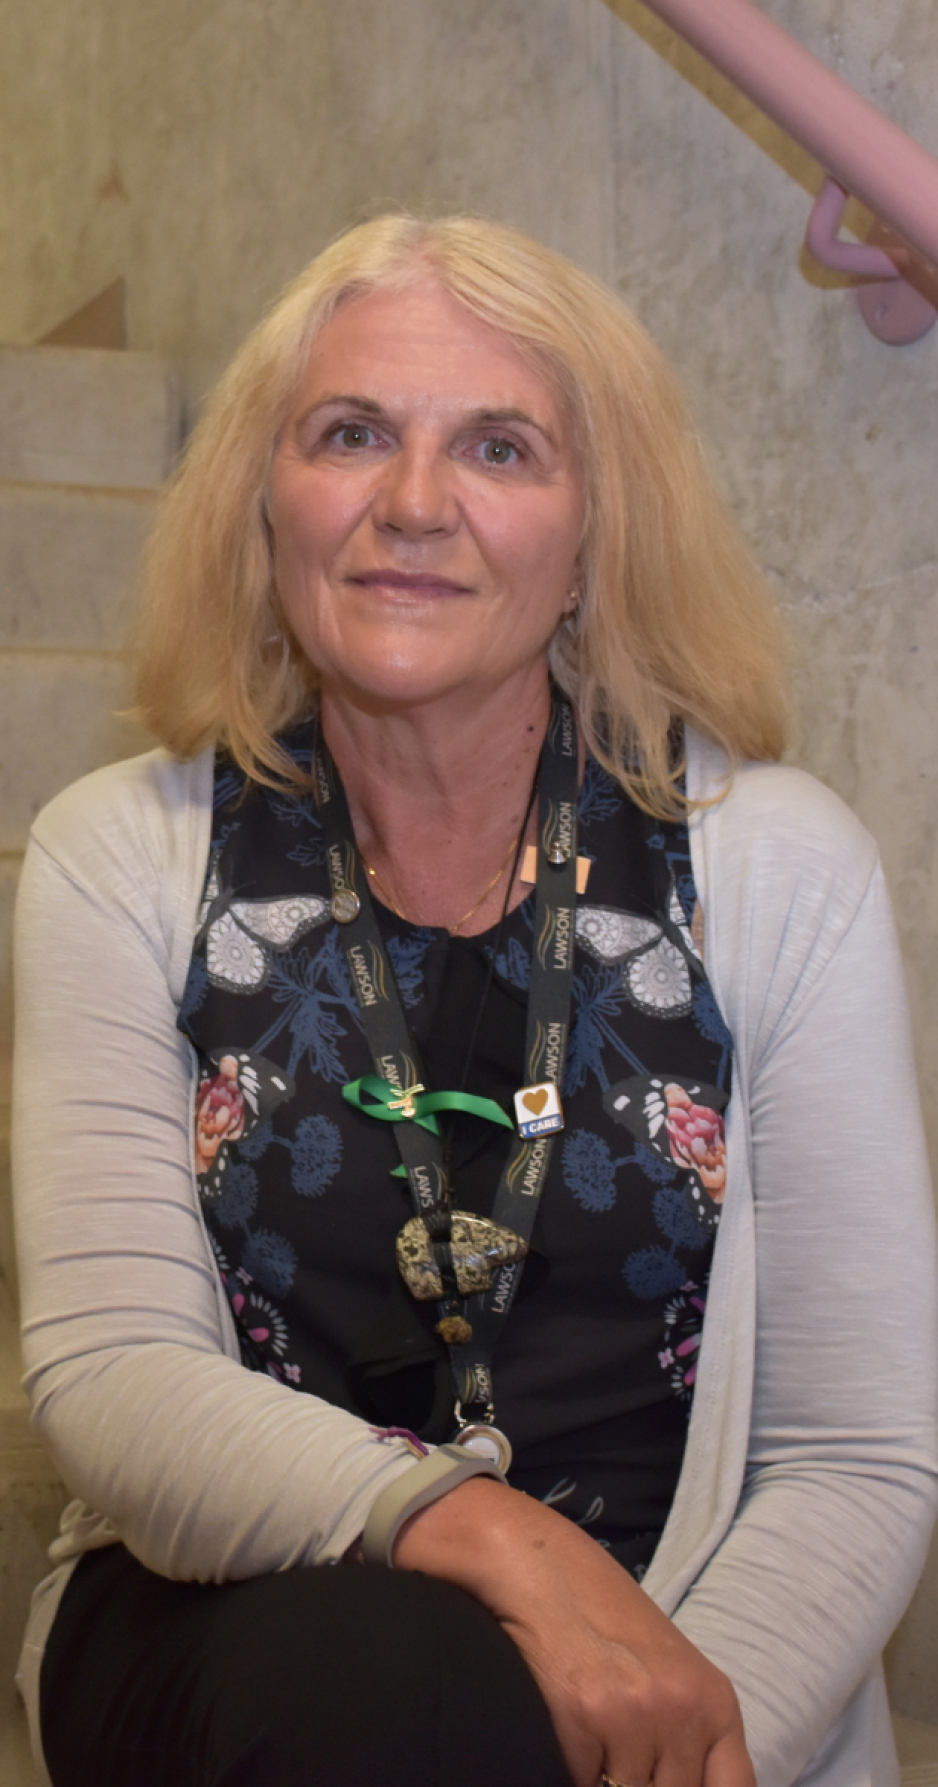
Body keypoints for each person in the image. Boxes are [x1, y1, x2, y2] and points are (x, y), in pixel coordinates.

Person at [13, 213, 937, 1787]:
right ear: (264, 500)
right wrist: (500, 1545)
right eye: (352, 433)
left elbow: (851, 1460)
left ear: (595, 529)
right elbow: (117, 1382)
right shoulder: (121, 853)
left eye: (500, 448)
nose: (415, 505)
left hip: (686, 1635)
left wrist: (684, 1733)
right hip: (234, 1614)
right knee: (384, 1680)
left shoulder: (781, 869)